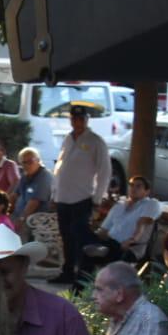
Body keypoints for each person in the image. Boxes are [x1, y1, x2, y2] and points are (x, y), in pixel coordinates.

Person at [52, 103, 112, 286]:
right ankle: (67, 271)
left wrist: (97, 199)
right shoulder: (68, 139)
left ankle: (82, 276)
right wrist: (54, 194)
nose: (77, 122)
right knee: (66, 238)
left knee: (80, 238)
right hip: (63, 197)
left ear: (86, 120)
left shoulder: (95, 141)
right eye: (74, 118)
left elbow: (104, 171)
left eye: (81, 118)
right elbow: (59, 168)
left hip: (82, 197)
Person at [84, 175, 162, 263]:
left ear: (147, 191)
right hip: (110, 241)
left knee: (104, 253)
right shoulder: (119, 205)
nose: (133, 188)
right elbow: (104, 230)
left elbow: (141, 224)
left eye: (138, 186)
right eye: (131, 185)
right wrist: (89, 235)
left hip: (129, 247)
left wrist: (132, 240)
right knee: (82, 242)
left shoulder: (151, 204)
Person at [12, 147, 54, 233]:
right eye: (24, 162)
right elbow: (14, 195)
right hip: (19, 216)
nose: (27, 165)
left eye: (30, 161)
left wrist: (20, 220)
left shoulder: (44, 177)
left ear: (38, 161)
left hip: (36, 221)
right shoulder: (26, 175)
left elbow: (33, 204)